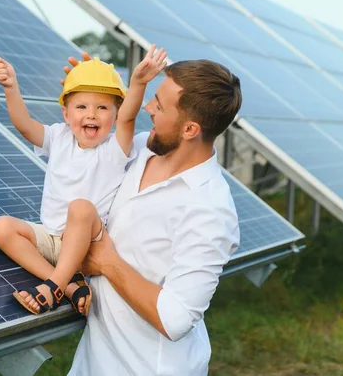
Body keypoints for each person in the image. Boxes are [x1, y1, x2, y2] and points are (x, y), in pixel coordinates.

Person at [61, 53, 243, 375]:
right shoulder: (143, 148)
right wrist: (88, 94)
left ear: (189, 129)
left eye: (158, 105)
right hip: (93, 363)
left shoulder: (209, 209)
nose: (148, 109)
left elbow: (176, 318)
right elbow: (86, 149)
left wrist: (107, 262)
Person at [0, 45, 167, 316]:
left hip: (86, 246)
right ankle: (69, 287)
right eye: (81, 106)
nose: (91, 114)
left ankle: (52, 288)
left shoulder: (115, 149)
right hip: (51, 237)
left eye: (103, 107)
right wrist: (11, 87)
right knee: (0, 227)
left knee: (80, 207)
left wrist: (138, 82)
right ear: (66, 113)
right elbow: (25, 125)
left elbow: (130, 115)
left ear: (116, 115)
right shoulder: (58, 137)